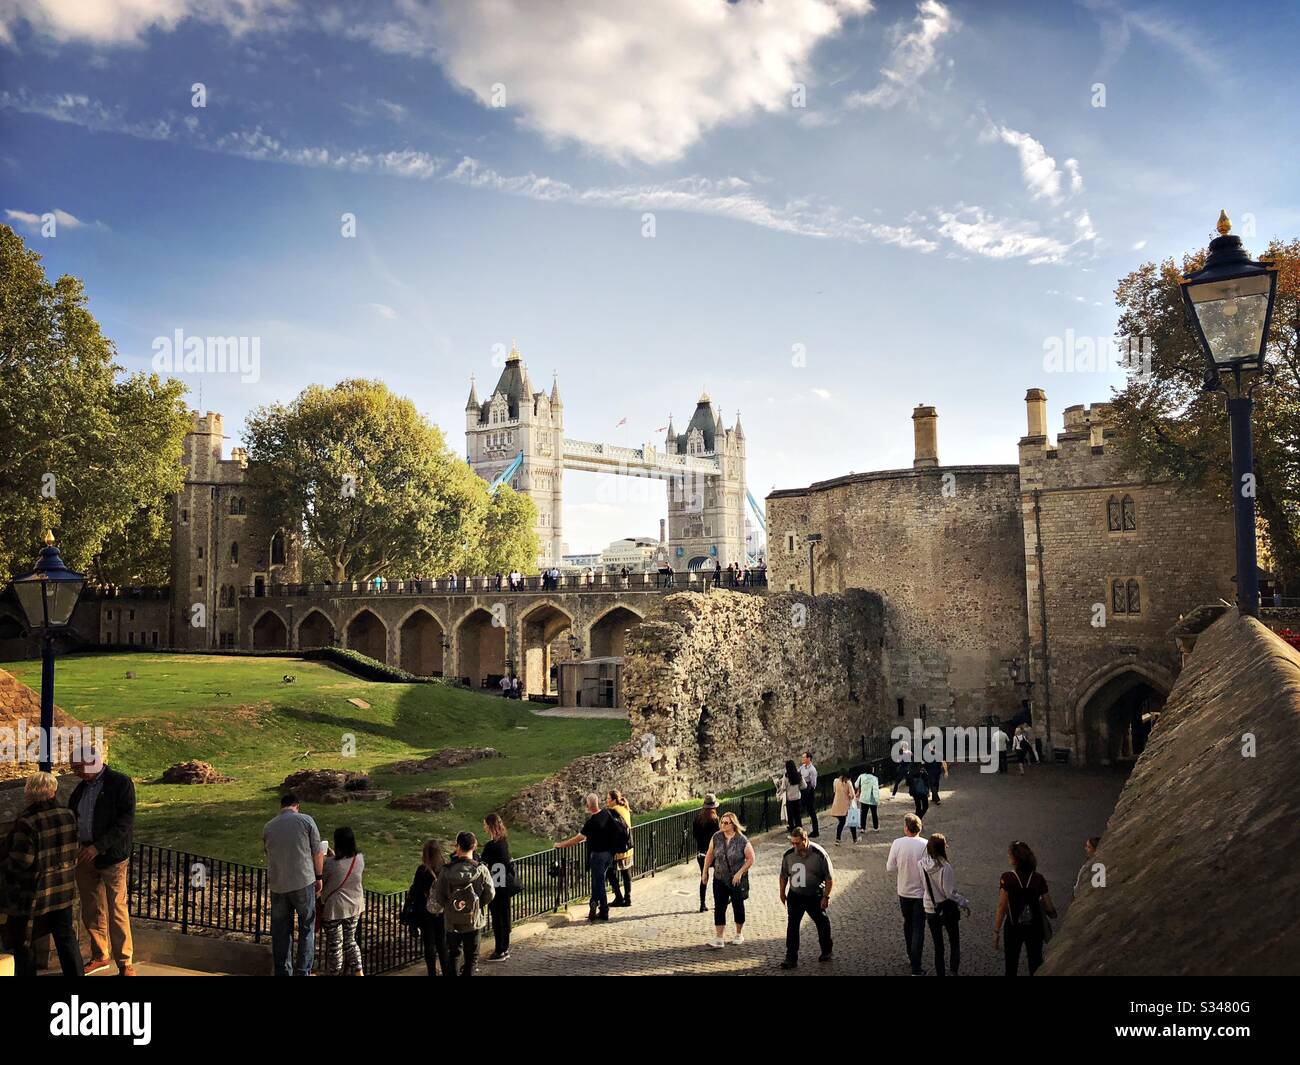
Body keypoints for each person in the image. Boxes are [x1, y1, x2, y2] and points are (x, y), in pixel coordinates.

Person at [0, 771, 83, 977]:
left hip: (33, 893)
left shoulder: (27, 822)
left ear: (29, 793)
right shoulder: (68, 815)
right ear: (53, 791)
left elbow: (22, 861)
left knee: (24, 941)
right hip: (62, 888)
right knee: (66, 937)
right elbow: (75, 847)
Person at [69, 747, 136, 976]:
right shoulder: (80, 789)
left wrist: (98, 847)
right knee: (91, 908)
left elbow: (125, 822)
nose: (75, 773)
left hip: (112, 857)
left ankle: (125, 962)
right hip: (84, 856)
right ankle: (100, 954)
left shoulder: (120, 783)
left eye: (78, 768)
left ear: (92, 762)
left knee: (117, 907)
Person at [263, 792, 324, 976]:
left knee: (281, 931)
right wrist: (319, 876)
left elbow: (268, 853)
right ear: (297, 806)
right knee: (307, 927)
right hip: (303, 880)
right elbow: (317, 851)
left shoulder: (268, 827)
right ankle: (303, 970)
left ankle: (283, 972)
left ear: (281, 807)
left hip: (278, 884)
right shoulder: (306, 821)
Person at [436, 831, 495, 977]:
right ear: (474, 846)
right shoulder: (481, 870)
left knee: (453, 955)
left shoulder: (446, 870)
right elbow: (490, 893)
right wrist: (477, 905)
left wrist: (450, 907)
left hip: (452, 920)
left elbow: (439, 896)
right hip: (473, 919)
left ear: (457, 846)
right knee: (471, 958)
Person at [994, 840, 1057, 976]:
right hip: (1034, 927)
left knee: (1011, 965)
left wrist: (996, 931)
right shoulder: (1038, 878)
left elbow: (1002, 906)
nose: (1008, 857)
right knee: (1035, 963)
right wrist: (1051, 913)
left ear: (1015, 859)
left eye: (1009, 855)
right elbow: (1049, 905)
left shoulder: (1007, 878)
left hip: (1013, 926)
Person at [555, 793, 621, 921]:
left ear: (588, 806)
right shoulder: (606, 814)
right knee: (598, 882)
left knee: (599, 883)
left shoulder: (591, 822)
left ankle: (602, 909)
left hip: (597, 856)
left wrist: (561, 844)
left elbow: (577, 839)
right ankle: (596, 905)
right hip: (609, 854)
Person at [778, 826, 834, 969]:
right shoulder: (789, 855)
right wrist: (782, 892)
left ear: (806, 839)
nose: (795, 846)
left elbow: (829, 878)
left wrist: (826, 897)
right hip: (795, 895)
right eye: (792, 843)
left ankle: (826, 950)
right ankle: (791, 958)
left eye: (798, 843)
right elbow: (783, 875)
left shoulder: (819, 854)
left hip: (814, 895)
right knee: (792, 926)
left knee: (822, 922)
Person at [700, 811, 754, 948]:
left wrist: (740, 873)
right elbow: (710, 854)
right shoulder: (717, 837)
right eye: (722, 822)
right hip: (719, 877)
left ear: (733, 825)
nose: (723, 825)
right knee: (719, 906)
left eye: (726, 823)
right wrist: (705, 872)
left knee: (738, 905)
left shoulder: (742, 840)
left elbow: (751, 858)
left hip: (736, 879)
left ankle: (738, 933)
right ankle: (719, 937)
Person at [919, 833, 969, 976]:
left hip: (930, 907)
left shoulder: (921, 864)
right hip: (946, 909)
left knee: (938, 946)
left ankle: (940, 973)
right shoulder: (945, 867)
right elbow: (950, 893)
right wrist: (964, 903)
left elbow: (923, 885)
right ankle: (953, 970)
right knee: (954, 942)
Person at [885, 813, 929, 975]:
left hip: (903, 891)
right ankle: (916, 965)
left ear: (906, 828)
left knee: (908, 924)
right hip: (920, 893)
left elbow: (890, 867)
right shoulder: (925, 844)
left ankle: (912, 957)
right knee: (918, 928)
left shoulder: (897, 843)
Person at [319, 826, 365, 976]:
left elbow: (323, 879)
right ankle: (359, 971)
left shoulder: (331, 864)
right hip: (354, 907)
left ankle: (334, 972)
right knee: (350, 942)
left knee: (335, 945)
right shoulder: (359, 859)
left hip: (334, 909)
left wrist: (325, 859)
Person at [406, 839, 449, 975]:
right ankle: (446, 970)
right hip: (442, 911)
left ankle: (432, 972)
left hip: (426, 912)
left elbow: (415, 891)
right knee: (442, 943)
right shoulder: (445, 868)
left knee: (429, 944)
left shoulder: (422, 871)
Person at [482, 813, 516, 960]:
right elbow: (506, 863)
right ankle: (504, 947)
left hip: (496, 883)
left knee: (497, 917)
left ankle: (500, 949)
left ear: (490, 826)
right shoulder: (503, 842)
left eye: (485, 824)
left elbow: (484, 861)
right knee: (504, 915)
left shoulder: (492, 846)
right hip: (502, 881)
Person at [605, 790, 634, 908]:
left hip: (618, 848)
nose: (606, 801)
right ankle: (628, 898)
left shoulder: (612, 812)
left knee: (609, 872)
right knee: (626, 873)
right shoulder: (625, 809)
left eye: (608, 798)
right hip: (629, 846)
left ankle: (618, 897)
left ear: (613, 800)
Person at [692, 796, 720, 914]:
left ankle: (702, 904)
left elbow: (694, 835)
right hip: (713, 853)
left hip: (701, 853)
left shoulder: (697, 819)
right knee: (717, 878)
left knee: (704, 877)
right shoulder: (715, 820)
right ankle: (718, 902)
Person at [830, 769, 858, 845]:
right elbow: (852, 795)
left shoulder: (835, 781)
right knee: (852, 822)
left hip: (837, 804)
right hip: (847, 805)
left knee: (841, 823)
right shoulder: (848, 783)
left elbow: (835, 791)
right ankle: (855, 839)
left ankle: (838, 839)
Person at [775, 760, 802, 831]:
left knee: (790, 815)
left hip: (790, 799)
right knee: (797, 815)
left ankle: (792, 828)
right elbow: (804, 785)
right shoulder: (798, 775)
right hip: (797, 797)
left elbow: (783, 788)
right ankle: (799, 828)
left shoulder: (786, 777)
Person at [854, 764, 880, 832]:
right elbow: (875, 789)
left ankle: (863, 827)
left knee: (864, 813)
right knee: (874, 813)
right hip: (872, 799)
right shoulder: (874, 778)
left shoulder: (861, 776)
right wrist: (877, 799)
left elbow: (856, 785)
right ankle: (876, 827)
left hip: (864, 797)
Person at [799, 751, 820, 838]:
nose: (802, 759)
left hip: (809, 791)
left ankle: (815, 830)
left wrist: (809, 789)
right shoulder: (802, 767)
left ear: (808, 759)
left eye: (804, 757)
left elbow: (813, 783)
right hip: (802, 790)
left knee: (811, 811)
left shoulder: (812, 770)